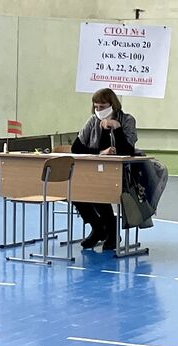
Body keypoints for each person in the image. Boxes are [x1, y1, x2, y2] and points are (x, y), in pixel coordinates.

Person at [72, 88, 137, 252]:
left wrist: (117, 128)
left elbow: (128, 150)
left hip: (121, 171)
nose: (99, 110)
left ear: (112, 105)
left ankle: (111, 231)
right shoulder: (93, 121)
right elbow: (76, 147)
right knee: (75, 191)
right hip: (94, 170)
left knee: (99, 190)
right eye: (96, 107)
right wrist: (100, 153)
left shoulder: (127, 120)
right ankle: (99, 226)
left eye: (102, 107)